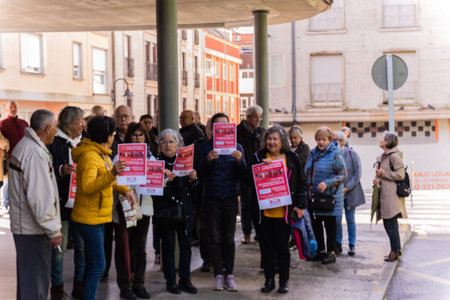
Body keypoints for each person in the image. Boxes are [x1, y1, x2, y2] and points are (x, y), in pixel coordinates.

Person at [71, 116, 135, 300]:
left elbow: (107, 180)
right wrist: (113, 172)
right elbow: (89, 187)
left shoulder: (100, 153)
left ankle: (84, 295)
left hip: (97, 216)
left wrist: (124, 189)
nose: (114, 136)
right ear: (107, 136)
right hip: (88, 219)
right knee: (99, 264)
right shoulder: (91, 156)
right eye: (113, 133)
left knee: (93, 262)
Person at [9, 109, 62, 300]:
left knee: (29, 283)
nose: (56, 132)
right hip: (33, 231)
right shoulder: (34, 152)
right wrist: (53, 229)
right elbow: (39, 197)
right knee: (35, 285)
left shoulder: (28, 146)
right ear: (47, 129)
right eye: (55, 128)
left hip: (28, 229)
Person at [248, 125, 306, 294]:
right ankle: (269, 281)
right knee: (266, 249)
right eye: (269, 139)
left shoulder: (292, 158)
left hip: (284, 213)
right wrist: (259, 168)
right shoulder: (258, 157)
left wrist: (301, 205)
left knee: (282, 249)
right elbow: (246, 179)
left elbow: (301, 184)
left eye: (275, 139)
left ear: (282, 142)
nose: (271, 142)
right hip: (263, 214)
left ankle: (283, 281)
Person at [197, 113, 246, 292]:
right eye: (217, 126)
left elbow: (244, 174)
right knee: (215, 238)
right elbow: (198, 173)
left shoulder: (238, 147)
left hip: (231, 198)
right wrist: (208, 160)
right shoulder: (205, 147)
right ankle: (218, 274)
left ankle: (230, 275)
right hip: (211, 198)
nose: (222, 129)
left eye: (225, 126)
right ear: (212, 129)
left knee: (229, 238)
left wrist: (240, 161)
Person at [153, 129, 198, 294]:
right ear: (159, 145)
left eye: (171, 141)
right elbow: (150, 188)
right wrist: (163, 179)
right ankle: (170, 281)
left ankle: (185, 279)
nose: (167, 145)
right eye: (163, 142)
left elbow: (194, 191)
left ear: (178, 144)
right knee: (168, 247)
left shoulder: (185, 161)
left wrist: (193, 179)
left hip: (184, 210)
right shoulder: (155, 162)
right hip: (165, 211)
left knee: (186, 247)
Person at [47, 106, 85, 300]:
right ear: (69, 123)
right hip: (61, 204)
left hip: (81, 203)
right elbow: (46, 168)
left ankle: (79, 284)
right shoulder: (54, 142)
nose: (82, 125)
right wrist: (61, 169)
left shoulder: (84, 142)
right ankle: (57, 288)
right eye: (80, 121)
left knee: (81, 247)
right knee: (59, 250)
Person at [304, 126, 346, 265]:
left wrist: (327, 183)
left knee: (330, 225)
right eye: (318, 139)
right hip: (314, 196)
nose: (320, 142)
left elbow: (342, 175)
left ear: (329, 140)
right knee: (316, 224)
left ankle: (331, 253)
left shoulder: (335, 154)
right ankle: (320, 251)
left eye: (323, 139)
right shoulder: (313, 153)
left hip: (330, 197)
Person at [122, 122, 153, 299]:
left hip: (144, 207)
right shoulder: (121, 155)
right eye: (134, 135)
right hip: (127, 206)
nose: (138, 138)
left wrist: (164, 176)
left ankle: (139, 283)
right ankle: (127, 281)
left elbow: (157, 183)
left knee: (140, 247)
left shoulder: (151, 157)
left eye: (141, 135)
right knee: (127, 246)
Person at [373, 132, 407, 262]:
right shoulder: (383, 156)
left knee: (390, 223)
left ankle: (394, 251)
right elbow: (384, 175)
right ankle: (396, 250)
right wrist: (378, 179)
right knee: (389, 223)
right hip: (384, 193)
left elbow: (400, 175)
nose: (380, 139)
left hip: (392, 194)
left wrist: (383, 173)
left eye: (382, 138)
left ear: (387, 142)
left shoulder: (394, 156)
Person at [237, 105, 265, 244]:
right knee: (246, 203)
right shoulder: (238, 131)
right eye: (256, 118)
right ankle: (246, 232)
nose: (258, 121)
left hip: (260, 172)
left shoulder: (261, 131)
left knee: (260, 202)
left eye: (260, 118)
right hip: (245, 171)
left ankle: (259, 232)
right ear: (247, 117)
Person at [333, 131, 365, 256]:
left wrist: (347, 187)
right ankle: (338, 243)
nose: (332, 142)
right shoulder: (332, 155)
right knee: (337, 219)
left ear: (342, 141)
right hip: (337, 192)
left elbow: (357, 174)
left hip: (350, 192)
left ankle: (352, 244)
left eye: (335, 140)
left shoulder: (352, 154)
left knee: (350, 219)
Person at [0, 101, 29, 212]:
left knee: (22, 180)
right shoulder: (2, 124)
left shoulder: (24, 123)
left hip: (24, 156)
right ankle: (5, 204)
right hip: (8, 157)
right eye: (11, 106)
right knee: (8, 181)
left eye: (15, 106)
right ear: (7, 109)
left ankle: (18, 203)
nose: (13, 108)